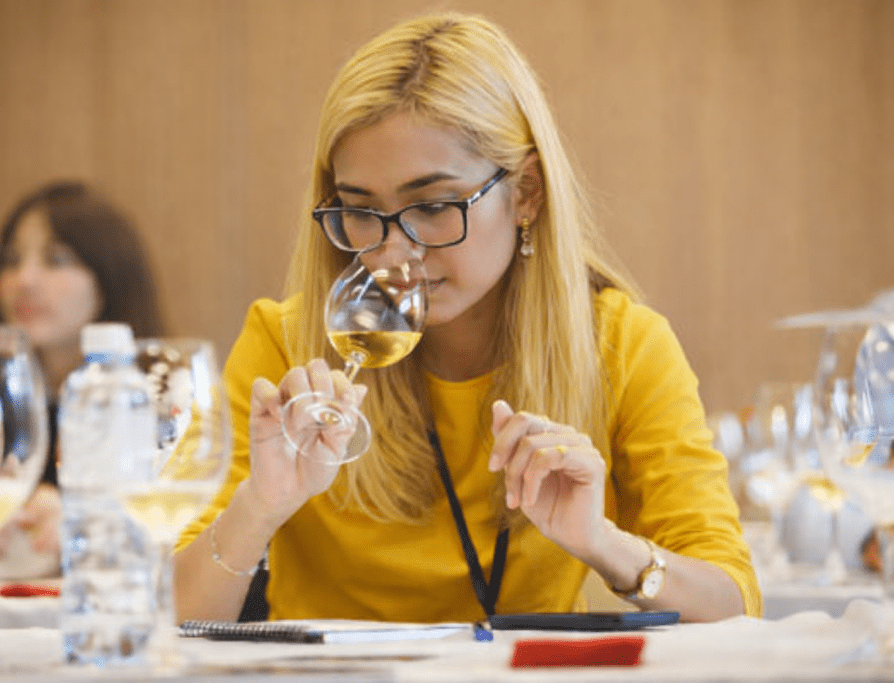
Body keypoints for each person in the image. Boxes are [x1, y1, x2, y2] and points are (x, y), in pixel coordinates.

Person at [175, 12, 761, 623]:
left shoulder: (621, 344)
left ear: (526, 192)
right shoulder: (286, 344)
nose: (391, 252)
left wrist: (602, 544)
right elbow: (168, 612)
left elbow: (734, 604)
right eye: (359, 210)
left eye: (431, 206)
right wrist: (260, 508)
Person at [0, 181, 164, 574]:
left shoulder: (156, 400)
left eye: (56, 259)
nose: (25, 280)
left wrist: (92, 527)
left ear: (108, 280)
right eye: (12, 260)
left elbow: (174, 538)